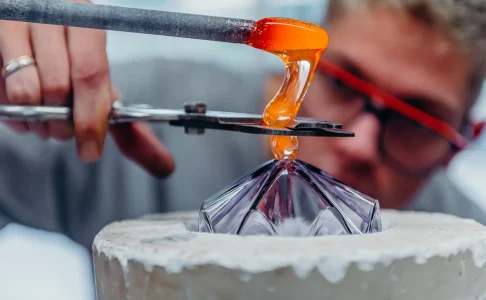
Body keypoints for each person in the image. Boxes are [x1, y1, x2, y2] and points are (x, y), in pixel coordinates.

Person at [1, 0, 486, 252]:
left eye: (415, 122)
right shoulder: (124, 115)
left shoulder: (470, 249)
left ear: (463, 141)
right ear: (288, 68)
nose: (359, 144)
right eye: (342, 84)